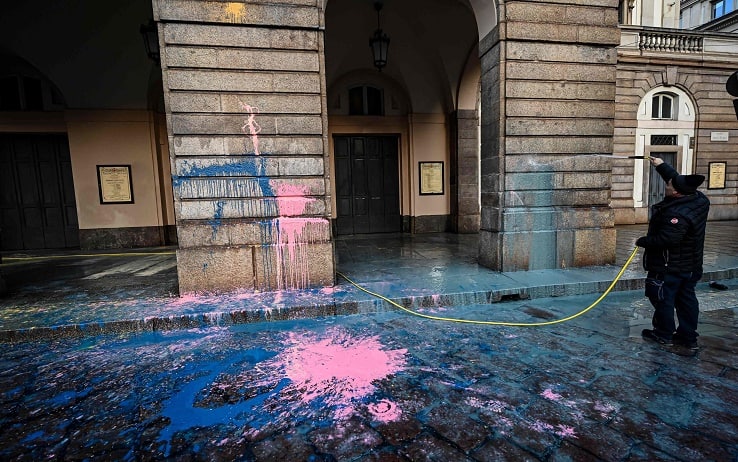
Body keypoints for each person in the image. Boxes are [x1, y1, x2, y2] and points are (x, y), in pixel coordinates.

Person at [635, 157, 709, 351]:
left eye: (668, 185)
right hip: (690, 266)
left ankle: (663, 334)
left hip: (669, 266)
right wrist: (660, 165)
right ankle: (687, 337)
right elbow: (676, 179)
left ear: (675, 192)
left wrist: (643, 241)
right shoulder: (698, 199)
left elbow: (666, 240)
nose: (666, 185)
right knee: (687, 301)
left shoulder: (675, 214)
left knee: (662, 299)